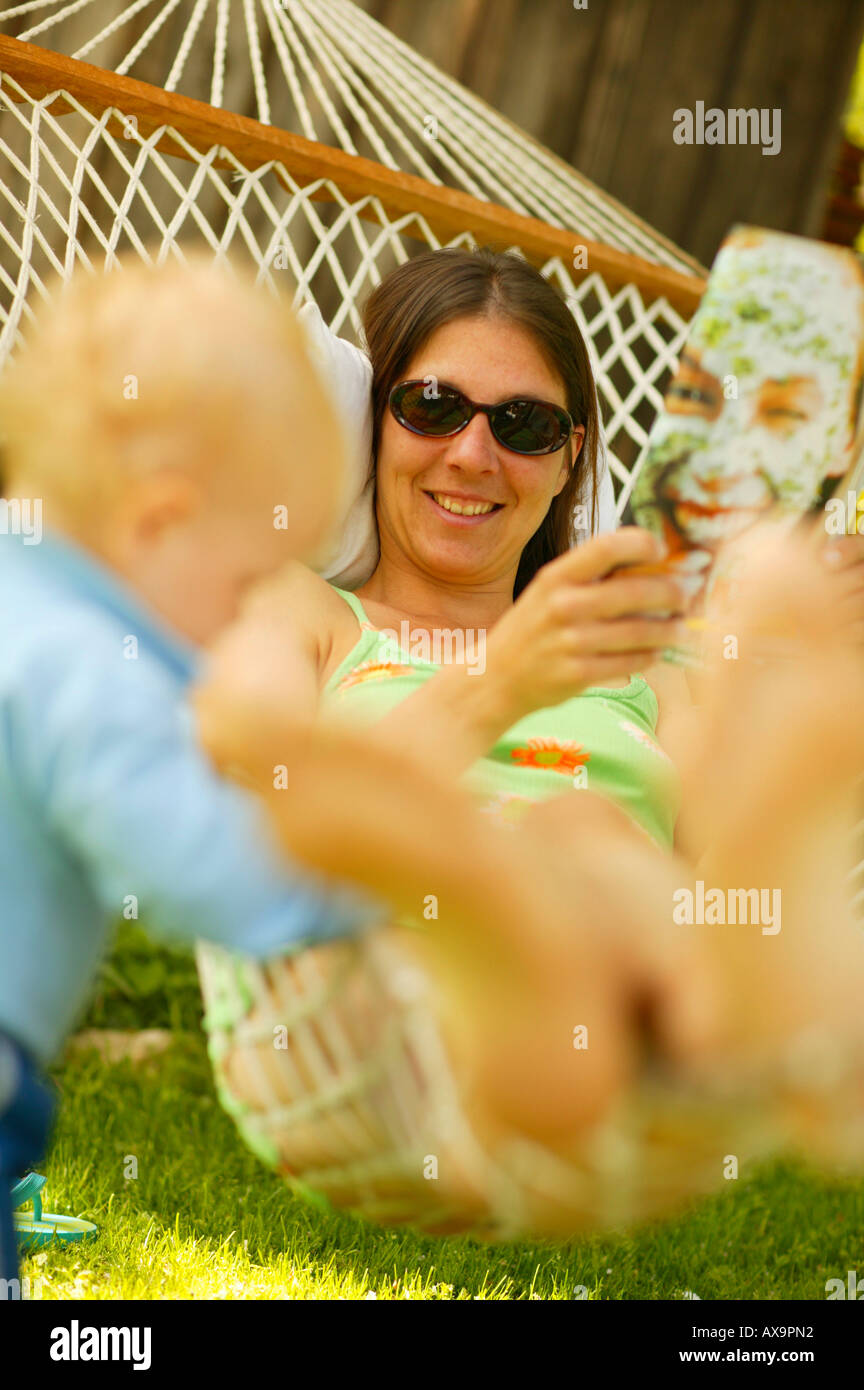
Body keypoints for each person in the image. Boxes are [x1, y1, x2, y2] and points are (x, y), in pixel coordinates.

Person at [0, 257, 379, 1295]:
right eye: (252, 577)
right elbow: (206, 872)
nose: (254, 612)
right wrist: (379, 884)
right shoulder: (87, 669)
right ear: (158, 523)